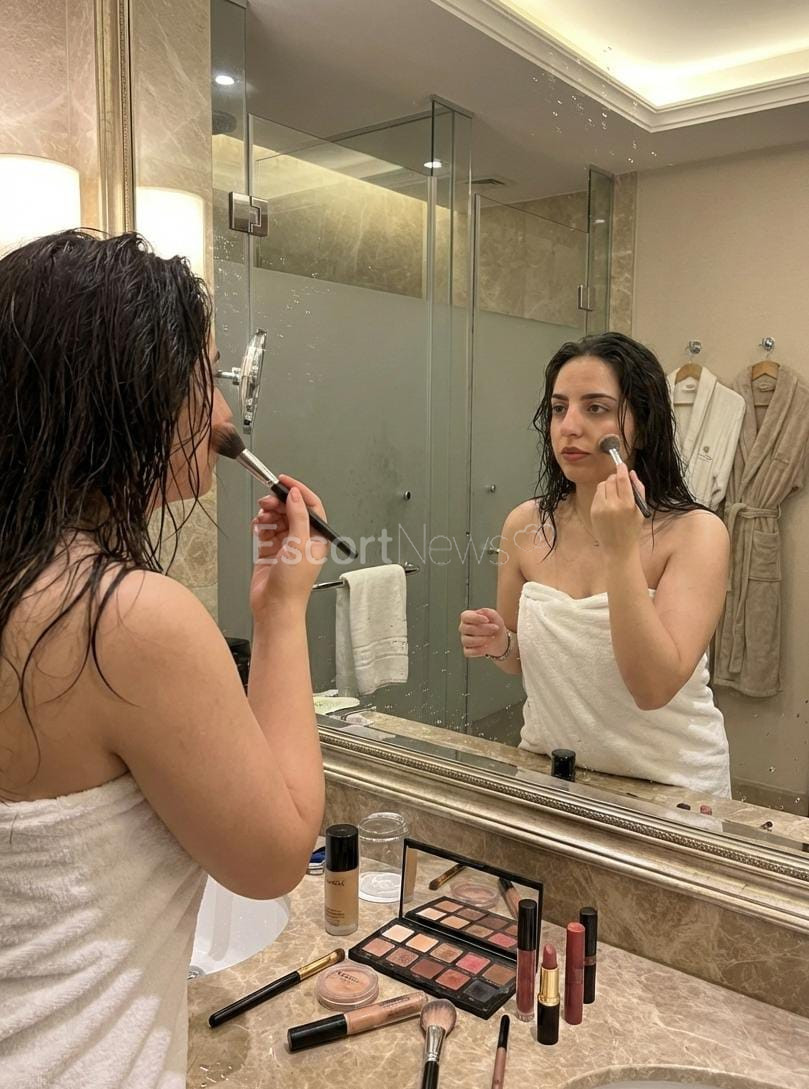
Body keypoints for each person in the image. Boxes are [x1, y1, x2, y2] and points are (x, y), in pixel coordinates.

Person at [0, 231, 326, 1087]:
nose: (223, 415)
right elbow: (275, 857)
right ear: (128, 391)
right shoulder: (122, 620)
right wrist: (282, 612)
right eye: (206, 377)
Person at [459, 332, 731, 797]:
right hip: (553, 774)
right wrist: (499, 643)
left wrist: (620, 551)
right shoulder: (525, 525)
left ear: (642, 425)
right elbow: (521, 661)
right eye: (558, 408)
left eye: (596, 408)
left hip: (671, 788)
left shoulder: (696, 534)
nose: (569, 426)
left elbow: (653, 688)